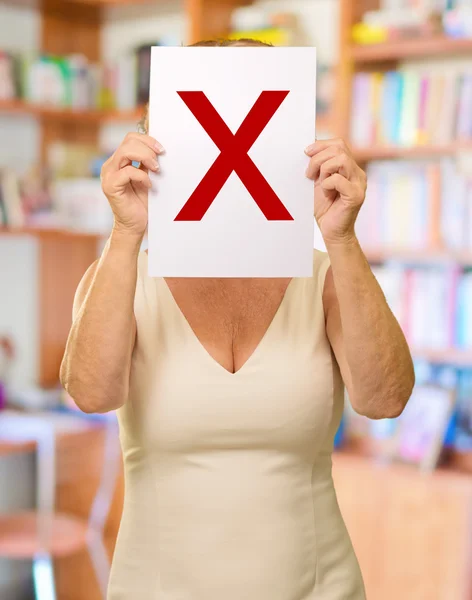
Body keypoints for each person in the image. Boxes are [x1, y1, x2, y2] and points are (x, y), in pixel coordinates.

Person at [60, 38, 415, 600]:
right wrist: (127, 231)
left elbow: (385, 399)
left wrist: (341, 237)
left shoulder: (323, 279)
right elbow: (92, 394)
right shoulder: (122, 277)